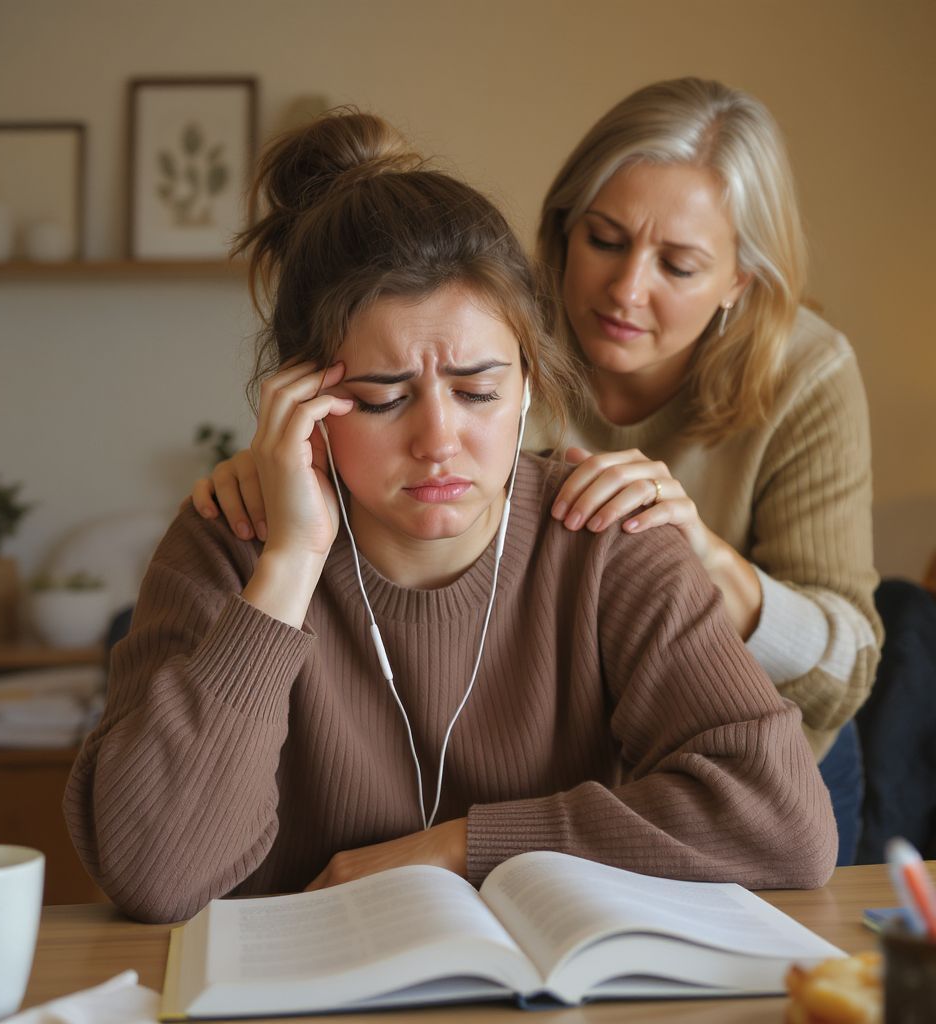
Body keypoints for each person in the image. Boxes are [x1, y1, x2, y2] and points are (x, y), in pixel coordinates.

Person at [64, 110, 836, 925]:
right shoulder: (229, 542)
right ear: (302, 402)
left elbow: (785, 824)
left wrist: (459, 847)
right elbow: (154, 874)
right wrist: (288, 565)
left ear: (530, 385)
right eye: (381, 398)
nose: (438, 441)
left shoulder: (607, 541)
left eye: (478, 391)